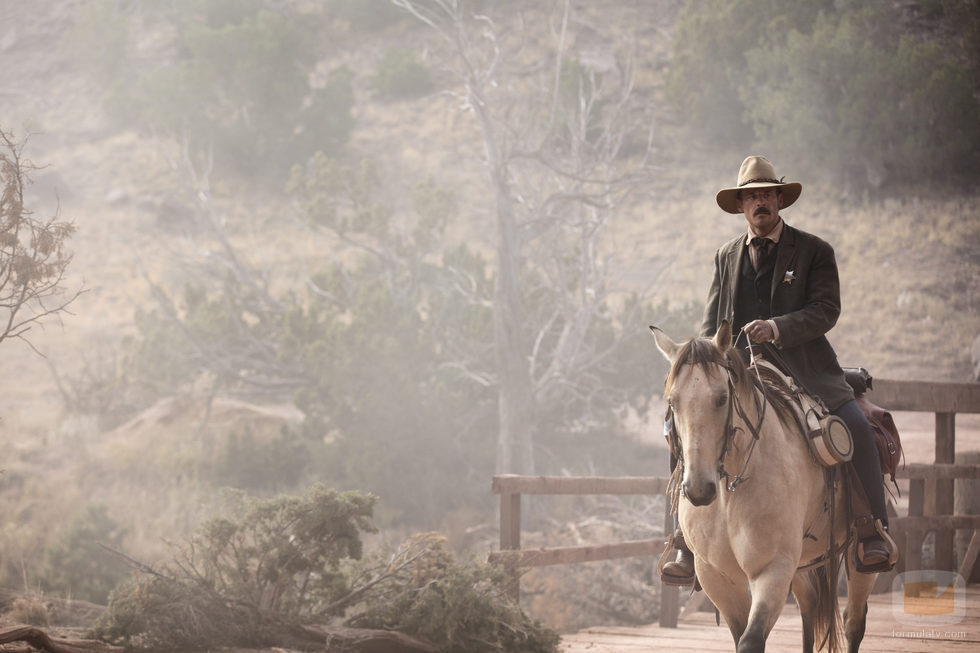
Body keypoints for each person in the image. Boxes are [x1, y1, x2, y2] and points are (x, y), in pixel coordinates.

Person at [660, 155, 892, 586]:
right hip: (737, 372)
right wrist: (708, 357)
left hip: (806, 369)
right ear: (742, 205)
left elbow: (827, 310)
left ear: (780, 199)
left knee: (856, 425)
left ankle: (871, 530)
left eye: (767, 194)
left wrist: (777, 328)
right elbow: (713, 325)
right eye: (751, 197)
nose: (760, 203)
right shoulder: (725, 256)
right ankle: (683, 539)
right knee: (679, 424)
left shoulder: (815, 251)